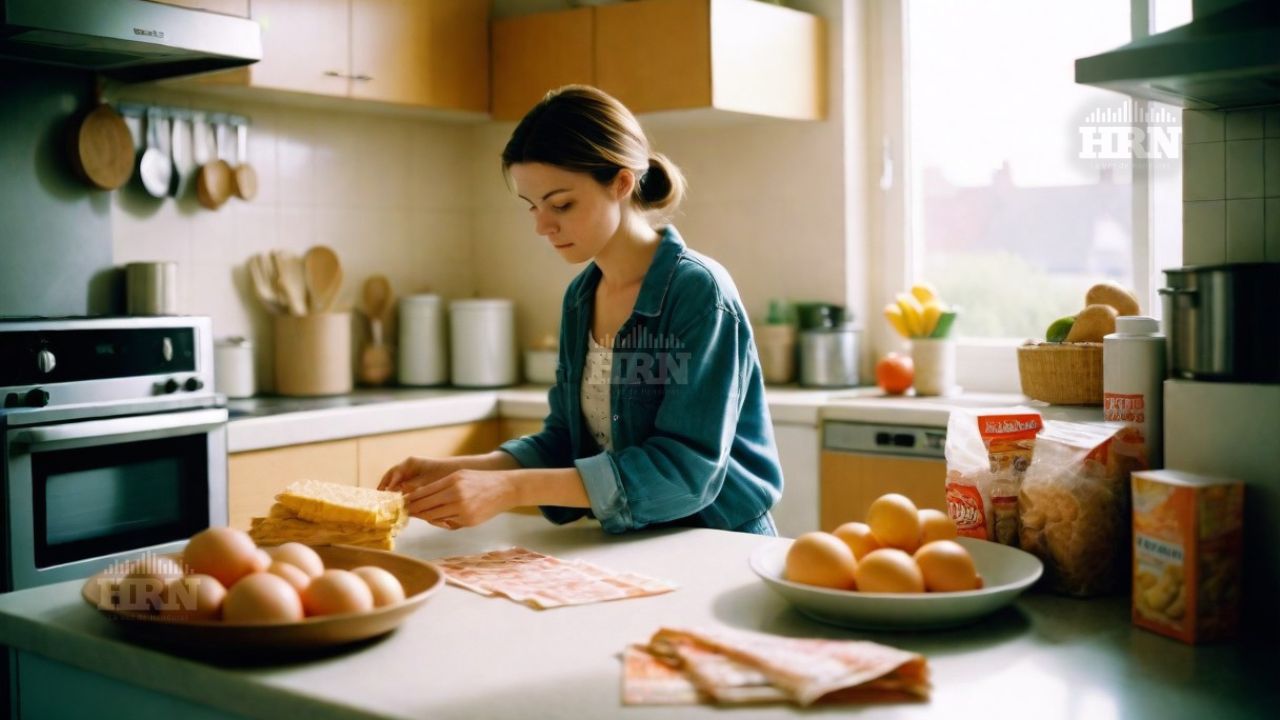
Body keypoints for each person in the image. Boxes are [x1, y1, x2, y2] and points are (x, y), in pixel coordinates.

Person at [380, 85, 783, 536]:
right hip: (633, 547)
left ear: (622, 183)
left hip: (715, 544)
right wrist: (458, 470)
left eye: (561, 204)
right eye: (532, 206)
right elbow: (565, 441)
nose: (542, 225)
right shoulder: (580, 299)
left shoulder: (697, 292)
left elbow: (685, 472)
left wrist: (509, 490)